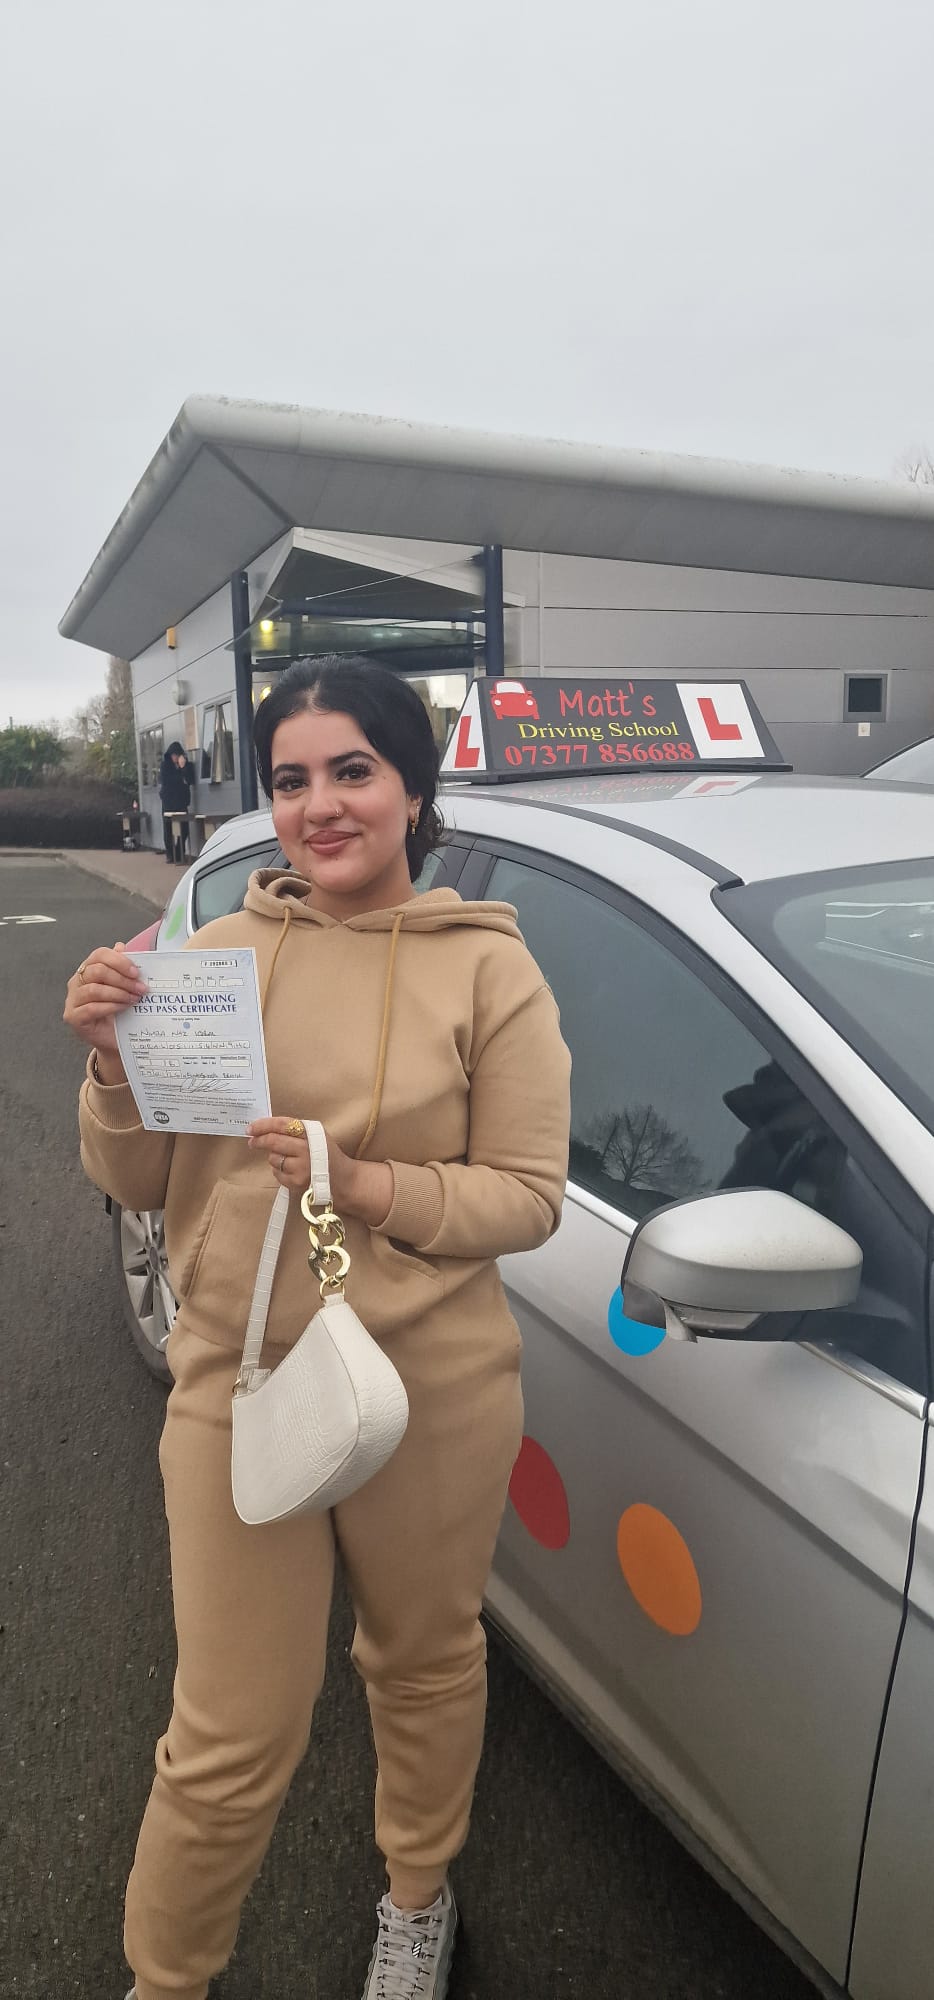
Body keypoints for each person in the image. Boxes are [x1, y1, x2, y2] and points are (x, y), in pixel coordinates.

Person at [64, 656, 571, 2000]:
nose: (320, 805)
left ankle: (416, 1897)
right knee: (227, 1730)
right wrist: (112, 1065)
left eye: (353, 771)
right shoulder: (213, 958)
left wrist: (362, 1180)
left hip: (433, 1389)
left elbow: (526, 1201)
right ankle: (164, 1979)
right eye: (291, 779)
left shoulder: (491, 976)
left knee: (418, 1659)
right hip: (233, 1383)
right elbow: (134, 1180)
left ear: (414, 787)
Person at [158, 741, 194, 862]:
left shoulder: (185, 765)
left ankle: (179, 852)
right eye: (173, 755)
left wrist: (183, 769)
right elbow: (168, 781)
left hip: (181, 802)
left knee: (184, 829)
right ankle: (170, 854)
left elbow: (189, 780)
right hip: (168, 801)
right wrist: (180, 777)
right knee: (168, 829)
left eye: (177, 755)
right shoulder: (165, 765)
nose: (175, 758)